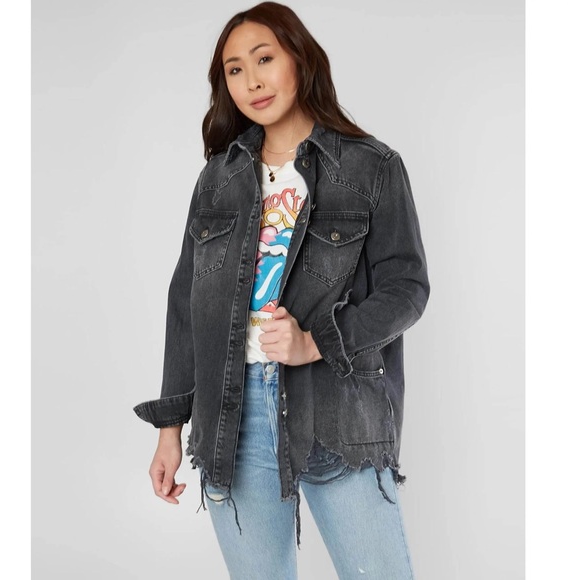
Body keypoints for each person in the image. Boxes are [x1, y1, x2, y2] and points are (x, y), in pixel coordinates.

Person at [133, 2, 430, 578]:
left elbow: (407, 289)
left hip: (335, 411)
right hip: (231, 419)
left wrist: (315, 341)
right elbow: (185, 307)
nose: (252, 81)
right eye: (235, 69)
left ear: (300, 59)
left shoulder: (370, 167)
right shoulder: (218, 178)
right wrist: (171, 429)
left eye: (264, 59)